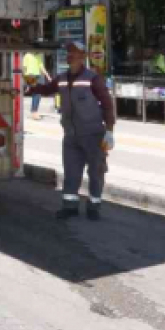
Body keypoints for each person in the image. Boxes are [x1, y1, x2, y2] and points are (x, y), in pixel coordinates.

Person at [27, 41, 116, 220]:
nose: (69, 55)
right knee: (71, 172)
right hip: (71, 136)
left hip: (93, 135)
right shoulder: (61, 79)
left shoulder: (92, 78)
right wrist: (32, 86)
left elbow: (107, 105)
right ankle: (70, 206)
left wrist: (109, 131)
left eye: (73, 52)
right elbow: (46, 89)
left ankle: (94, 206)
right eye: (68, 52)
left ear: (82, 56)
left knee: (96, 172)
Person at [22, 51, 45, 120]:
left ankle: (34, 111)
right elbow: (24, 68)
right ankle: (34, 112)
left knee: (38, 94)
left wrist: (48, 77)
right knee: (37, 93)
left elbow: (41, 67)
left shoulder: (38, 55)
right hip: (30, 75)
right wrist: (26, 81)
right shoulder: (27, 55)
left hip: (37, 76)